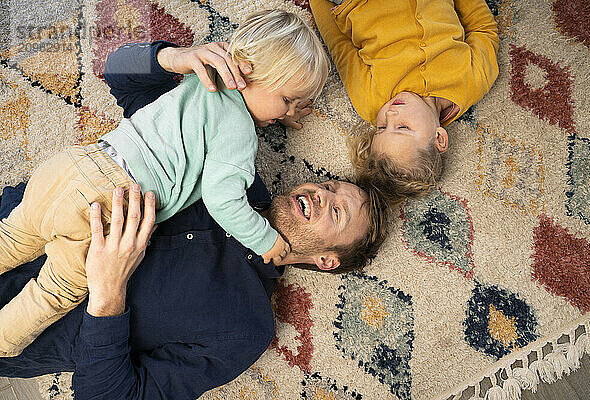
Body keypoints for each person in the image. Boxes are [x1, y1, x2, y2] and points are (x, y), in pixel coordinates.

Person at [0, 39, 387, 399]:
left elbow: (109, 395)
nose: (321, 194)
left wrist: (108, 295)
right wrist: (175, 58)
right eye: (329, 185)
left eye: (337, 211)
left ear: (327, 260)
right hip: (21, 214)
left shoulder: (246, 326)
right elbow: (118, 71)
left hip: (16, 321)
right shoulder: (230, 161)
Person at [310, 0, 500, 201]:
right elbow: (483, 29)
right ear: (439, 138)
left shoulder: (371, 102)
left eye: (381, 127)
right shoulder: (473, 81)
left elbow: (339, 45)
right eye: (402, 128)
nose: (390, 114)